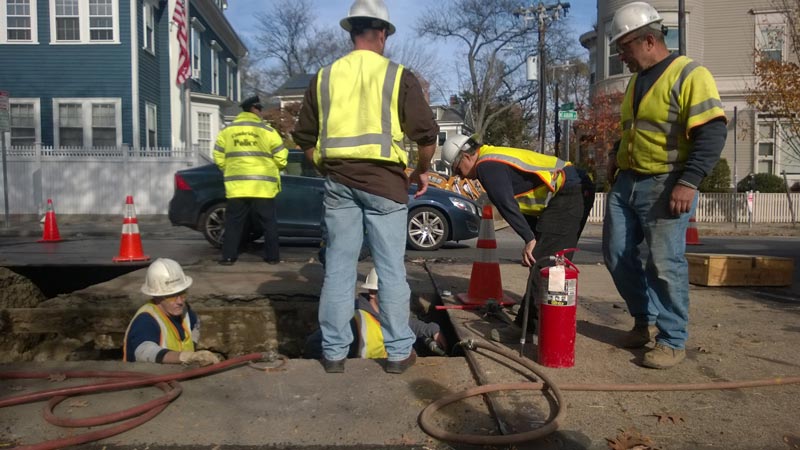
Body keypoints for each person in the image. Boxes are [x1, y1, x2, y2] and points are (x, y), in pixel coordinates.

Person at [291, 0, 439, 374]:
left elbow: (305, 137)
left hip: (339, 184)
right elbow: (426, 136)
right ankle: (398, 352)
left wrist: (325, 163)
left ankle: (335, 353)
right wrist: (422, 170)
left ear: (351, 31)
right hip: (385, 186)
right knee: (390, 272)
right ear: (383, 33)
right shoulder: (397, 75)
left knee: (339, 271)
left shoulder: (324, 77)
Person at [604, 2, 727, 369]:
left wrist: (688, 182)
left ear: (648, 40)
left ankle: (672, 340)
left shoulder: (690, 74)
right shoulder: (637, 81)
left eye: (624, 47)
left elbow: (712, 130)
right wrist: (614, 154)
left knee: (664, 262)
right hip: (628, 182)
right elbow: (634, 128)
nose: (621, 55)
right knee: (615, 253)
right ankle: (645, 322)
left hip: (666, 181)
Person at [440, 135, 595, 343]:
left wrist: (530, 239)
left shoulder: (487, 165)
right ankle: (548, 324)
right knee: (552, 264)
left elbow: (506, 204)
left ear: (467, 156)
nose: (459, 177)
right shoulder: (492, 157)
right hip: (572, 190)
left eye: (457, 170)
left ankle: (529, 327)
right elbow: (523, 203)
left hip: (569, 191)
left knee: (545, 264)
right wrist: (533, 238)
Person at [304, 268, 447, 360]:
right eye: (389, 293)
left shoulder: (388, 312)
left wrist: (433, 331)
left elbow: (408, 324)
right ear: (372, 293)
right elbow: (314, 344)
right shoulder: (354, 320)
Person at [214, 95, 288, 266]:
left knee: (233, 222)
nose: (261, 112)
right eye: (260, 109)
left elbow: (218, 155)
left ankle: (228, 257)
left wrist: (229, 168)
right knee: (268, 223)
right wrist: (275, 166)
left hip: (237, 186)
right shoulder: (268, 131)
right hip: (262, 186)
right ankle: (272, 257)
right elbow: (281, 157)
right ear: (254, 109)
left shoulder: (227, 131)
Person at [123, 258, 220, 366]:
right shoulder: (146, 320)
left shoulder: (185, 311)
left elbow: (195, 324)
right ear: (157, 296)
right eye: (171, 296)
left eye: (182, 293)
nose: (179, 301)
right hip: (148, 378)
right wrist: (185, 357)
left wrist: (193, 351)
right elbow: (144, 352)